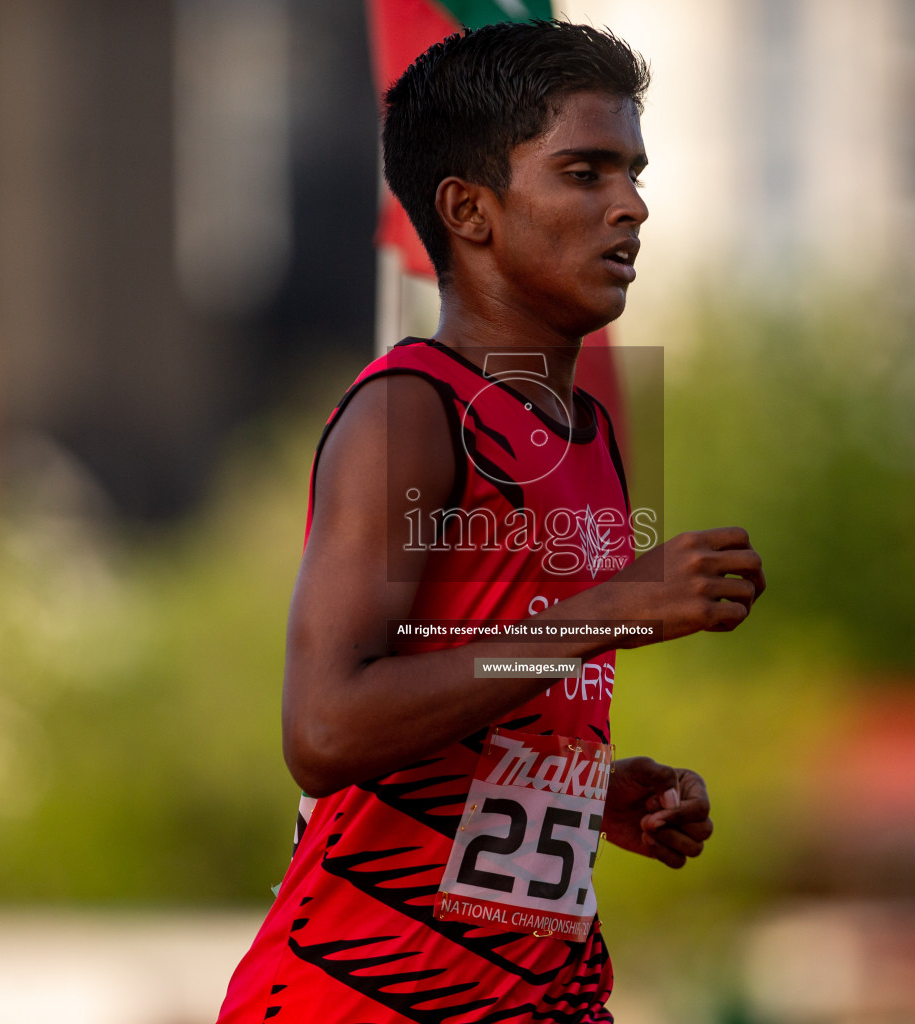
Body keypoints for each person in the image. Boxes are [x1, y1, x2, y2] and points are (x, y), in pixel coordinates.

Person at [216, 20, 765, 1023]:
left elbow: (481, 681)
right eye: (584, 173)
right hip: (361, 996)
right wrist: (607, 609)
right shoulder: (410, 413)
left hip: (541, 996)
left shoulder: (587, 435)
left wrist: (588, 792)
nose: (631, 206)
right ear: (469, 210)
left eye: (634, 172)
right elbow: (326, 726)